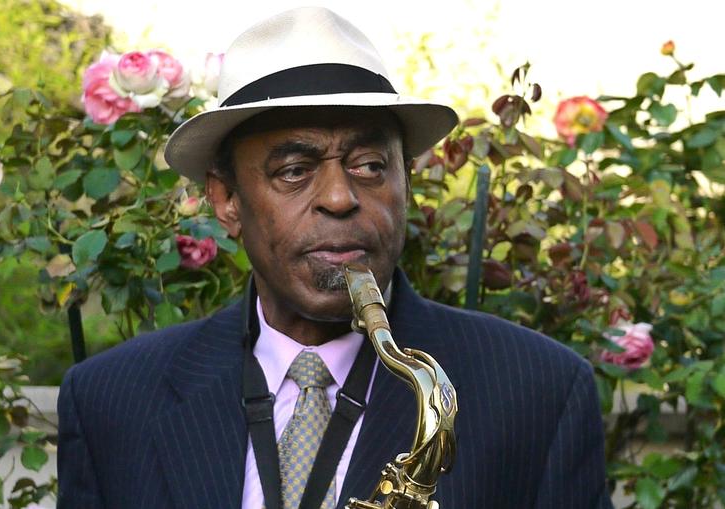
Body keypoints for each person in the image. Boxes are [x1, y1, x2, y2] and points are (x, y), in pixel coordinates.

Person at [57, 7, 613, 509]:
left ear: (407, 180)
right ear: (226, 201)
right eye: (294, 170)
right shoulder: (110, 401)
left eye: (370, 164)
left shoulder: (541, 392)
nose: (342, 197)